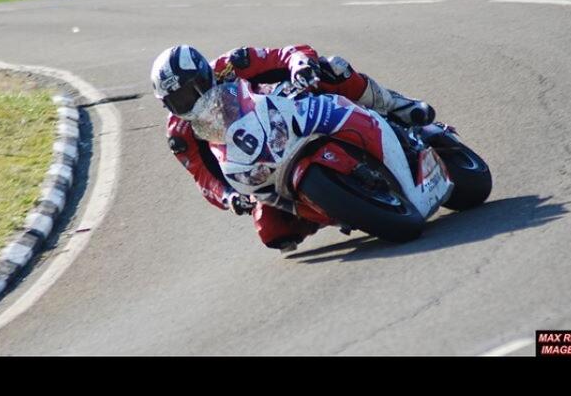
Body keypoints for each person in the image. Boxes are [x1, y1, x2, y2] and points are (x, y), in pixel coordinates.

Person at [151, 44, 435, 253]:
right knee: (272, 232)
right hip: (255, 164)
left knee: (332, 68)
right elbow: (203, 177)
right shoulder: (179, 133)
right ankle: (334, 209)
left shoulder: (230, 65)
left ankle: (397, 105)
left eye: (194, 88)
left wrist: (300, 66)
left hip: (284, 109)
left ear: (205, 74)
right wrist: (230, 198)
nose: (194, 101)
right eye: (181, 100)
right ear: (168, 105)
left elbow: (285, 54)